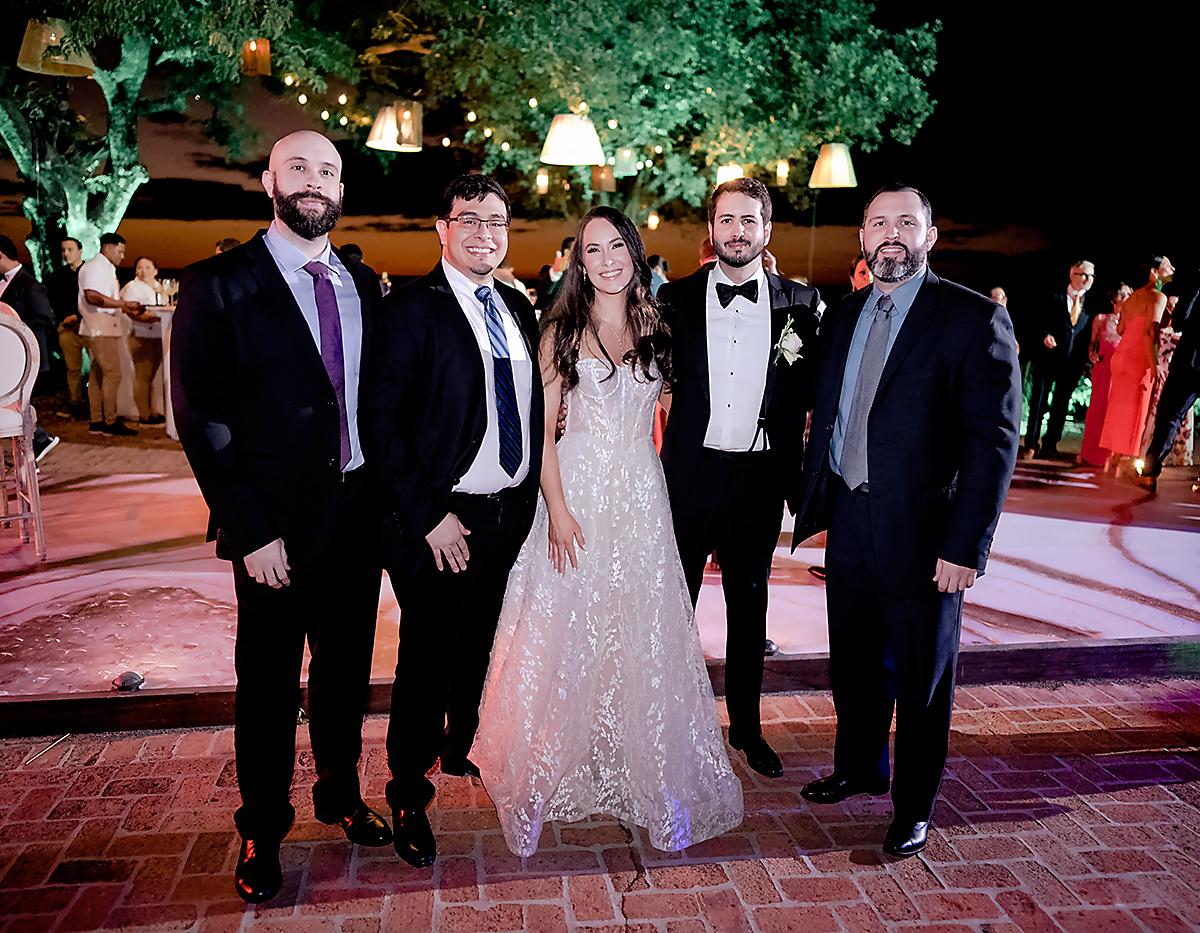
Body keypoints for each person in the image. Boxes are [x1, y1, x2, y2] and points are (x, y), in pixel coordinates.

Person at [472, 207, 744, 857]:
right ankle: (542, 777)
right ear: (579, 262)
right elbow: (541, 430)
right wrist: (558, 509)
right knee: (567, 628)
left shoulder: (659, 324)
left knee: (640, 634)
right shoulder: (560, 330)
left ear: (633, 249)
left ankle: (650, 776)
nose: (607, 259)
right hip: (579, 493)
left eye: (616, 245)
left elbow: (678, 412)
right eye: (593, 250)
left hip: (642, 497)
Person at [173, 130, 392, 904]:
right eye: (298, 166)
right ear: (269, 178)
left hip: (357, 517)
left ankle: (339, 793)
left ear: (340, 191)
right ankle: (263, 826)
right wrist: (250, 526)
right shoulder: (217, 284)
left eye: (327, 171)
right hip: (274, 528)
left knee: (343, 675)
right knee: (267, 683)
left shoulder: (363, 283)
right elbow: (204, 420)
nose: (313, 181)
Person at [793, 184, 1020, 858]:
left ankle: (912, 807)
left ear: (929, 235)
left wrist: (966, 545)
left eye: (906, 223)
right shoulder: (847, 312)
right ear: (863, 237)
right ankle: (860, 766)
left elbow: (994, 440)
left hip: (927, 537)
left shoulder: (971, 318)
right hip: (851, 520)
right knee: (855, 663)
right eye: (878, 223)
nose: (891, 234)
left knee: (922, 678)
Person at [363, 173, 544, 870]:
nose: (484, 233)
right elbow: (382, 423)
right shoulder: (410, 309)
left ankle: (460, 742)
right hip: (441, 519)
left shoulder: (519, 307)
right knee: (427, 659)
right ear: (442, 228)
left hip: (506, 514)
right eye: (468, 219)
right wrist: (430, 515)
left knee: (478, 645)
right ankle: (408, 789)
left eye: (496, 221)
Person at [657, 177, 822, 780]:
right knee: (676, 606)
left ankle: (748, 728)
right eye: (727, 220)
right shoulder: (673, 300)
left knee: (749, 606)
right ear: (711, 228)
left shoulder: (801, 306)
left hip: (758, 477)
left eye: (749, 220)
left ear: (766, 229)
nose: (737, 231)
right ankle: (670, 725)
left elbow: (812, 395)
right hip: (691, 475)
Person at [1099, 257, 1173, 475]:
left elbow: (1121, 329)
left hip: (1121, 355)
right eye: (1168, 266)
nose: (1173, 270)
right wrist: (1155, 364)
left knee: (1118, 406)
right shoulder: (1158, 297)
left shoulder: (1131, 300)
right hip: (1138, 357)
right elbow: (1151, 333)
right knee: (1137, 409)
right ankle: (1128, 460)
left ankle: (1114, 457)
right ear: (1154, 272)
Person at [1023, 260, 1098, 459]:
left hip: (1072, 362)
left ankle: (1051, 444)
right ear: (1072, 274)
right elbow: (1036, 320)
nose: (1087, 279)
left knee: (1061, 403)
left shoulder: (1092, 304)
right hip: (1048, 357)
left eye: (1091, 276)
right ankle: (1031, 443)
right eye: (1083, 274)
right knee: (1038, 401)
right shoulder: (1053, 297)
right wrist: (1045, 334)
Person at [0, 237, 60, 461]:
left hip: (26, 358)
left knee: (20, 404)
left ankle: (38, 443)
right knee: (17, 405)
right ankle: (34, 447)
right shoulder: (2, 282)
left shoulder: (30, 284)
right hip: (6, 360)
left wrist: (16, 333)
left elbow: (45, 318)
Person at [1139, 284, 1200, 491]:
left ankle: (1149, 472)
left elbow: (1179, 322)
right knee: (1169, 417)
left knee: (1169, 417)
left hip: (1188, 362)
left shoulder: (1196, 288)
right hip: (1188, 363)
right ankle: (1150, 470)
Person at [78, 232, 139, 436]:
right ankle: (110, 421)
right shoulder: (96, 267)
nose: (122, 256)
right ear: (107, 248)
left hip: (96, 327)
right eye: (120, 251)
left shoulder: (103, 267)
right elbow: (93, 296)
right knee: (113, 373)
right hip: (99, 327)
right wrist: (123, 304)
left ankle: (97, 420)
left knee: (96, 375)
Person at [1078, 284, 1133, 466]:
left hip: (1123, 371)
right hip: (1104, 369)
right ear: (1113, 298)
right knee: (1098, 409)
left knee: (1116, 411)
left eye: (1128, 294)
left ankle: (1112, 455)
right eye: (1122, 293)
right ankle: (1090, 453)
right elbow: (1092, 345)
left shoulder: (1133, 321)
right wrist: (1093, 357)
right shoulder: (1101, 319)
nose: (1125, 297)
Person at [119, 256, 167, 425]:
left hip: (157, 336)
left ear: (155, 270)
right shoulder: (132, 288)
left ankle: (153, 411)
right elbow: (132, 311)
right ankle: (144, 414)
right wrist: (154, 317)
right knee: (143, 375)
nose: (143, 271)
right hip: (140, 336)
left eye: (147, 267)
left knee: (152, 376)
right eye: (140, 267)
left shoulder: (159, 288)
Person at [47, 237, 86, 417]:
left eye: (70, 249)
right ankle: (75, 403)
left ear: (80, 251)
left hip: (88, 325)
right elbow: (53, 302)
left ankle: (96, 405)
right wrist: (62, 320)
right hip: (67, 327)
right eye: (64, 250)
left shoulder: (88, 272)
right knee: (72, 367)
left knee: (98, 365)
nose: (66, 254)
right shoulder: (58, 276)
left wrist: (78, 316)